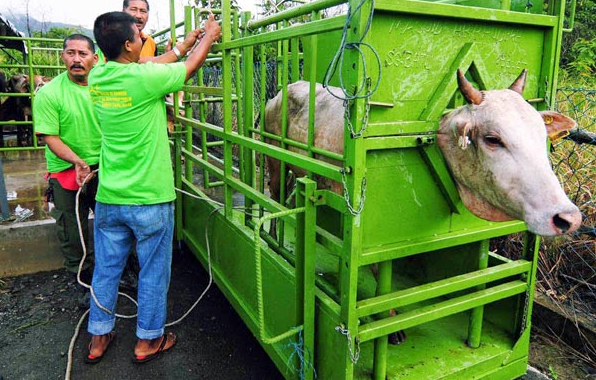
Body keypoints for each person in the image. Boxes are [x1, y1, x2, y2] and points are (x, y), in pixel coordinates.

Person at [85, 11, 220, 364]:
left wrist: (182, 44)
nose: (143, 38)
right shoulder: (144, 78)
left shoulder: (98, 76)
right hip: (149, 197)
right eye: (138, 35)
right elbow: (187, 70)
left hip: (110, 197)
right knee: (154, 272)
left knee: (106, 270)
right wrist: (209, 36)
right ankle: (147, 341)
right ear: (129, 45)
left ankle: (98, 337)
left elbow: (152, 65)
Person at [33, 34, 101, 284]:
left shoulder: (106, 86)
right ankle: (82, 278)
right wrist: (78, 161)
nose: (76, 59)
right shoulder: (50, 93)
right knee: (73, 230)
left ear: (94, 59)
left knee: (114, 224)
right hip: (66, 169)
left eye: (83, 54)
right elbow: (50, 136)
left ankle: (122, 272)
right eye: (70, 53)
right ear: (62, 56)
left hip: (106, 167)